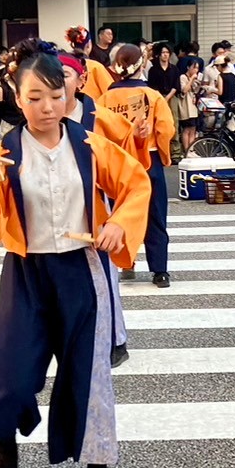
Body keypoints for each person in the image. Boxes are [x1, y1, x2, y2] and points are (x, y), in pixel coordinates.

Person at [0, 42, 151, 468]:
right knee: (10, 373)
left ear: (70, 93)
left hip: (82, 270)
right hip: (27, 272)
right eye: (35, 96)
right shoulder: (3, 153)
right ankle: (6, 445)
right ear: (16, 98)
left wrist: (119, 221)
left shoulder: (89, 143)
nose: (47, 107)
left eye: (55, 95)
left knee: (89, 374)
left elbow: (135, 184)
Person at [63, 51, 141, 368]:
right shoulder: (43, 118)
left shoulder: (102, 117)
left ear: (82, 80)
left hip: (96, 207)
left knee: (103, 277)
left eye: (65, 75)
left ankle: (113, 339)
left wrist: (140, 138)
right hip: (59, 208)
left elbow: (130, 169)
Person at [99, 43, 176, 288]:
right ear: (141, 65)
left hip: (117, 163)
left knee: (120, 213)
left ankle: (126, 263)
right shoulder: (152, 96)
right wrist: (162, 152)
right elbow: (167, 129)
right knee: (155, 214)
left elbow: (98, 134)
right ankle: (159, 270)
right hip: (148, 159)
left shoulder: (104, 99)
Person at [176, 57, 202, 157]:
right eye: (194, 68)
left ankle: (191, 149)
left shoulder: (196, 79)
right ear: (188, 67)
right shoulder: (183, 77)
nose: (196, 70)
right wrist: (191, 79)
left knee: (193, 128)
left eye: (197, 68)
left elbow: (196, 91)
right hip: (185, 106)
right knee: (186, 128)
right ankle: (186, 150)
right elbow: (184, 90)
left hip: (193, 106)